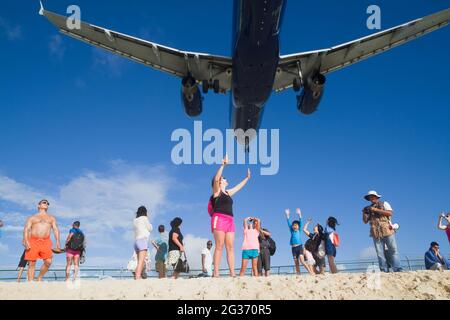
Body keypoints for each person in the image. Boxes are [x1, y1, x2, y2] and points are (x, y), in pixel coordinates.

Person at [210, 154, 250, 277]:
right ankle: (216, 272)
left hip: (230, 220)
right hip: (219, 218)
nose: (226, 180)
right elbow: (216, 179)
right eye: (224, 179)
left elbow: (238, 187)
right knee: (219, 246)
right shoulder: (216, 191)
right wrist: (223, 165)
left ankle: (232, 272)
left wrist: (247, 178)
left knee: (230, 247)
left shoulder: (228, 192)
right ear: (221, 182)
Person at [362, 190, 403, 272]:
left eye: (373, 196)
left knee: (393, 249)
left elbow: (390, 213)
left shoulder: (384, 204)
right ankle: (383, 270)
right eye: (370, 197)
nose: (371, 198)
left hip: (386, 229)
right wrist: (364, 213)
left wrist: (375, 210)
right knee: (380, 253)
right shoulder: (368, 208)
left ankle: (397, 268)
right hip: (375, 232)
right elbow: (365, 221)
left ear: (377, 197)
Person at [23, 199, 61, 281]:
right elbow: (27, 229)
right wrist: (26, 241)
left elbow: (55, 229)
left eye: (47, 203)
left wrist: (57, 241)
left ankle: (39, 278)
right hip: (33, 241)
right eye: (44, 202)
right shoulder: (32, 217)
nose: (46, 204)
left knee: (48, 261)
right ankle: (30, 283)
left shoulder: (51, 218)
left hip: (46, 241)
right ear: (38, 205)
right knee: (32, 263)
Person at [285, 208, 314, 275]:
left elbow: (300, 221)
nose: (294, 226)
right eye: (293, 225)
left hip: (299, 247)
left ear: (298, 226)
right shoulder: (291, 231)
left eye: (295, 225)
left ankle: (310, 272)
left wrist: (299, 214)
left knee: (302, 261)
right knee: (296, 262)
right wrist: (287, 215)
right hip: (293, 248)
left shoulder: (299, 230)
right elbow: (288, 223)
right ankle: (298, 274)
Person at [133, 206, 152, 280]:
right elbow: (150, 228)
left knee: (140, 262)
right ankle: (137, 277)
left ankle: (137, 275)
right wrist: (147, 218)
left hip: (136, 241)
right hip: (142, 240)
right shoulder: (145, 218)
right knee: (141, 262)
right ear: (145, 212)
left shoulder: (135, 220)